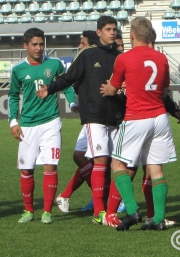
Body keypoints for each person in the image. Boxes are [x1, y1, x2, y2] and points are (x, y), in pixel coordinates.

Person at [37, 15, 124, 226]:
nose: (112, 32)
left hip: (115, 117)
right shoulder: (87, 55)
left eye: (114, 29)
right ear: (99, 32)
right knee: (101, 160)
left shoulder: (120, 57)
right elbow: (69, 77)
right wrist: (50, 88)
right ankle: (99, 211)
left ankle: (107, 208)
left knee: (116, 163)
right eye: (108, 29)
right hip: (93, 116)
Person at [100, 17, 175, 231]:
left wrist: (108, 90)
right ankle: (158, 219)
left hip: (136, 117)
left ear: (132, 35)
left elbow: (113, 88)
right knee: (156, 169)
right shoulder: (161, 58)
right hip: (159, 117)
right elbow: (164, 90)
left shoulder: (124, 58)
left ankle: (132, 209)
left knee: (117, 164)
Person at [8, 28, 75, 224]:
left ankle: (47, 212)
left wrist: (72, 102)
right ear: (25, 46)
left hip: (51, 122)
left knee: (50, 166)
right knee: (27, 170)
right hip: (28, 125)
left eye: (41, 44)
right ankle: (28, 211)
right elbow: (12, 96)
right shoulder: (18, 69)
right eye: (34, 44)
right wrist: (13, 121)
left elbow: (67, 84)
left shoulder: (54, 64)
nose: (38, 48)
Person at [56, 30, 99, 214]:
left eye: (82, 43)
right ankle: (97, 197)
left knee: (105, 161)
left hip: (104, 118)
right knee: (81, 156)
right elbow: (70, 81)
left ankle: (107, 200)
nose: (79, 46)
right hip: (90, 118)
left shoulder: (104, 59)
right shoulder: (84, 61)